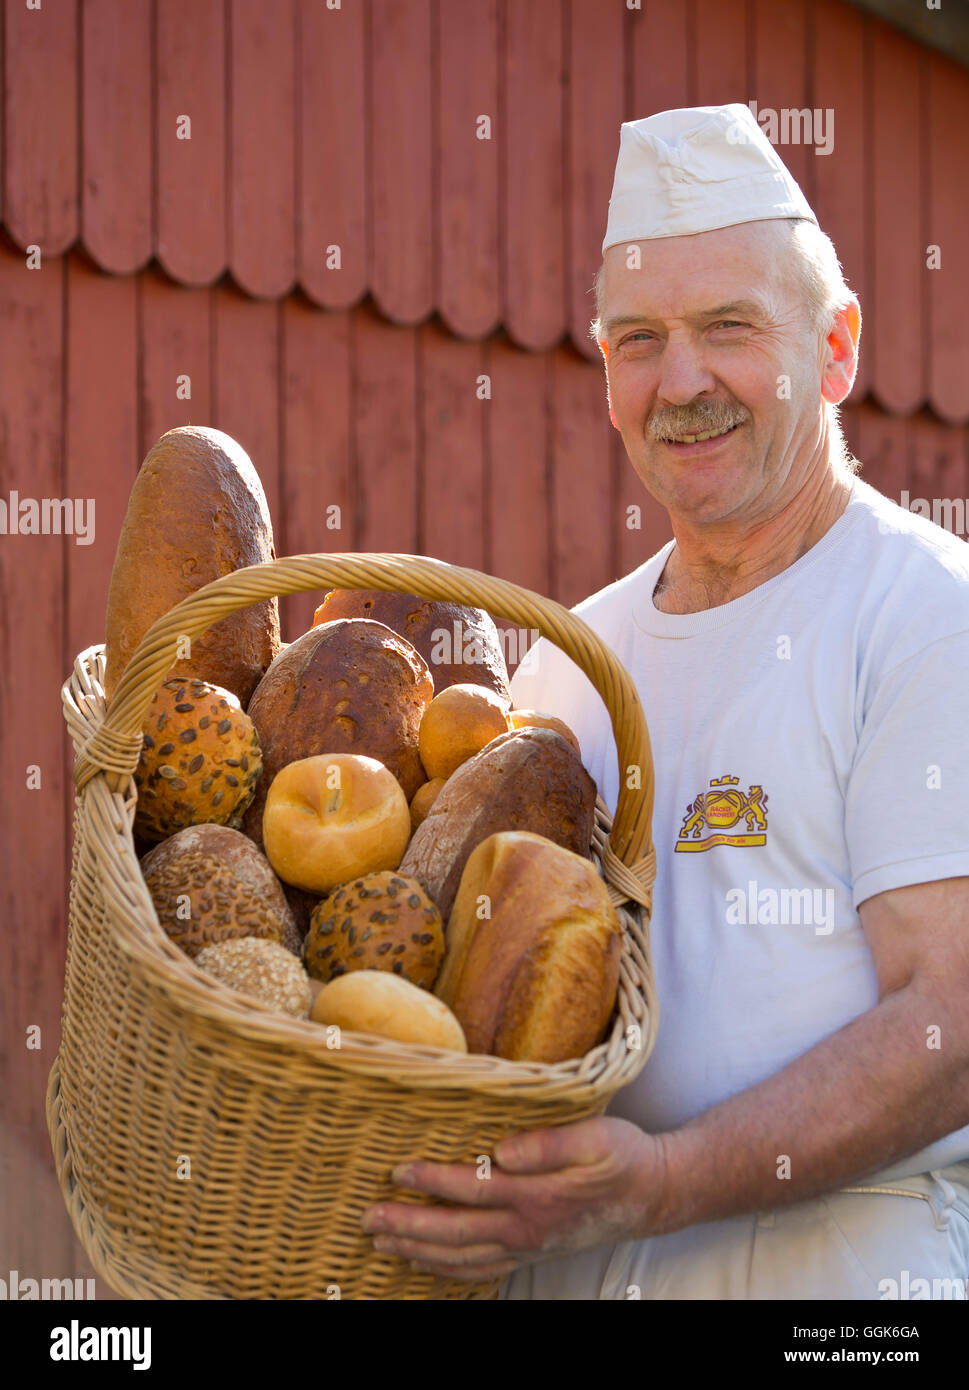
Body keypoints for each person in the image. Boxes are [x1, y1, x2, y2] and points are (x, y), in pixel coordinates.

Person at [360, 104, 969, 1299]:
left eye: (729, 327)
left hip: (844, 1274)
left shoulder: (923, 614)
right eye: (639, 340)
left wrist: (665, 1178)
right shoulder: (571, 662)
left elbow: (951, 1023)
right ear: (604, 377)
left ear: (836, 348)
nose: (681, 382)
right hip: (579, 1267)